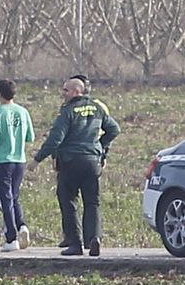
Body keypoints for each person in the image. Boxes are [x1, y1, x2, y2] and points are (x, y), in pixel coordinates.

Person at [31, 76, 120, 257]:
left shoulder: (68, 111)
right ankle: (94, 238)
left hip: (71, 162)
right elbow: (114, 129)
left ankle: (75, 244)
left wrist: (37, 160)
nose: (62, 94)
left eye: (66, 90)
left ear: (76, 92)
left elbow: (55, 139)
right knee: (92, 202)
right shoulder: (97, 108)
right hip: (92, 162)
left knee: (69, 201)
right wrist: (99, 148)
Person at [0, 79, 35, 252]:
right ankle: (21, 225)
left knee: (4, 197)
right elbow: (30, 137)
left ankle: (11, 237)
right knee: (14, 195)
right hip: (19, 159)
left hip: (2, 160)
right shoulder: (23, 112)